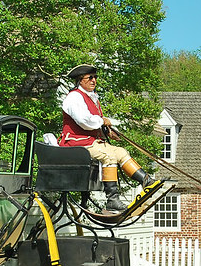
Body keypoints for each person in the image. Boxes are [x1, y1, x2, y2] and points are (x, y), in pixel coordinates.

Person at [60, 63, 155, 212]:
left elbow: (93, 125)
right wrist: (101, 121)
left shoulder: (93, 98)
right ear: (80, 80)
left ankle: (146, 180)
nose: (94, 80)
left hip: (91, 142)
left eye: (95, 77)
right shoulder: (74, 97)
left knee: (121, 152)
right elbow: (84, 121)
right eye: (90, 77)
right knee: (108, 155)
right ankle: (112, 200)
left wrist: (108, 133)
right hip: (75, 143)